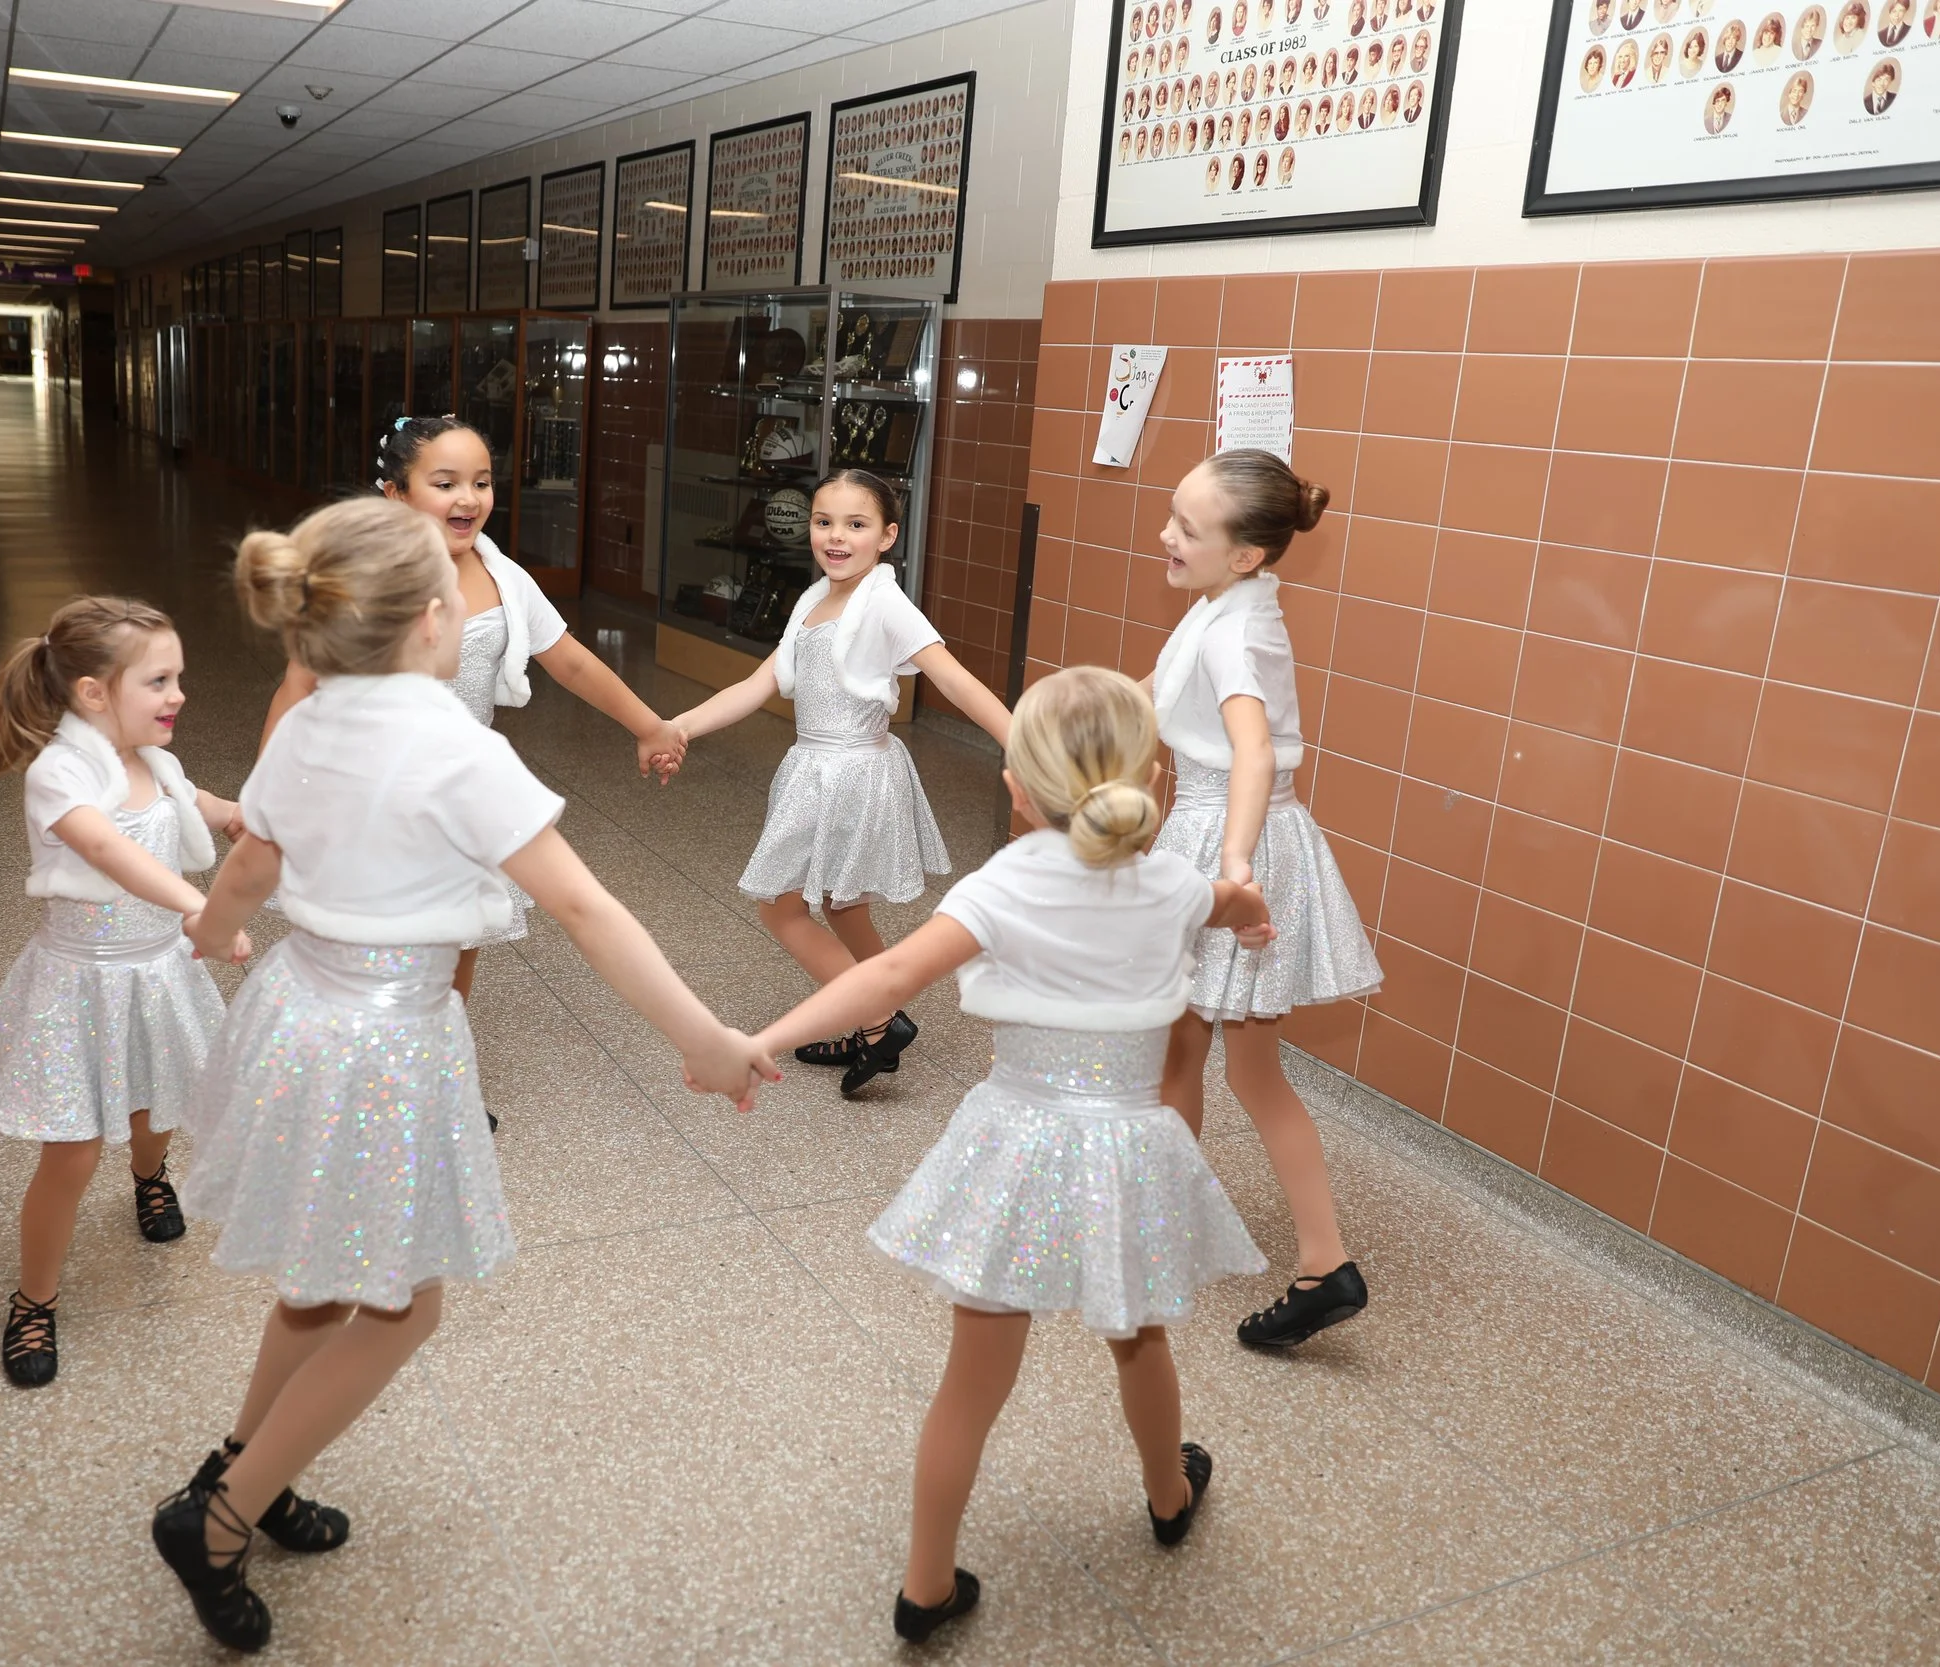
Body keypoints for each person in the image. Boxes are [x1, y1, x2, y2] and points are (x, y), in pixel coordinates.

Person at [153, 497, 777, 1653]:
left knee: (319, 1280)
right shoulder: (457, 747)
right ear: (436, 621)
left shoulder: (303, 724)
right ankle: (221, 1515)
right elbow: (586, 906)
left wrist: (205, 935)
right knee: (400, 1304)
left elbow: (247, 865)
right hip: (387, 1044)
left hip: (302, 1014)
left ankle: (248, 1465)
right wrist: (704, 1037)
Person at [750, 667, 1272, 1646]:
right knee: (1139, 1335)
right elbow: (1226, 902)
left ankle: (926, 1583)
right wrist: (1246, 910)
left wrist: (762, 1041)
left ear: (1015, 787)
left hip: (1016, 1143)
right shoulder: (1169, 880)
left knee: (970, 1380)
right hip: (1129, 1145)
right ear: (1156, 782)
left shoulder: (1002, 885)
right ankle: (1167, 1491)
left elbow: (890, 973)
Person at [260, 418, 689, 1028]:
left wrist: (649, 726)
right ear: (395, 494)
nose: (469, 498)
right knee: (374, 937)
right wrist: (268, 794)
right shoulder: (355, 582)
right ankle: (370, 1062)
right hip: (371, 788)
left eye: (482, 482)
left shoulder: (503, 578)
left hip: (460, 790)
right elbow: (298, 687)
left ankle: (441, 1066)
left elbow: (568, 660)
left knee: (460, 935)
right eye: (445, 482)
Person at [0, 597, 246, 1388]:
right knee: (74, 1150)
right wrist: (203, 906)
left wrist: (243, 819)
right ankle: (34, 1300)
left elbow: (203, 809)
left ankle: (150, 1177)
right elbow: (109, 851)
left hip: (157, 974)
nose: (178, 693)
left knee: (157, 1108)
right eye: (159, 680)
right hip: (81, 985)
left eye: (178, 677)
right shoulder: (62, 772)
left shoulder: (155, 763)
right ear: (93, 693)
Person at [660, 470, 1012, 1096]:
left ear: (887, 536)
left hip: (852, 772)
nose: (836, 537)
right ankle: (874, 1015)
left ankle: (876, 1019)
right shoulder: (814, 601)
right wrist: (678, 727)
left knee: (783, 906)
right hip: (816, 769)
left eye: (856, 525)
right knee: (844, 906)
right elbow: (756, 685)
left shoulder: (883, 603)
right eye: (824, 522)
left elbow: (953, 680)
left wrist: (1024, 744)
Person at [1148, 450, 1383, 1350]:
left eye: (1188, 528)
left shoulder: (1233, 629)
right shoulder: (1223, 608)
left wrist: (1235, 867)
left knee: (1214, 1059)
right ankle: (1303, 1258)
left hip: (1228, 842)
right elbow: (1167, 697)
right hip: (1222, 833)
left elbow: (1251, 751)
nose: (1166, 536)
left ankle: (1320, 1262)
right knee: (1212, 1058)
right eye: (1173, 516)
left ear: (1245, 555)